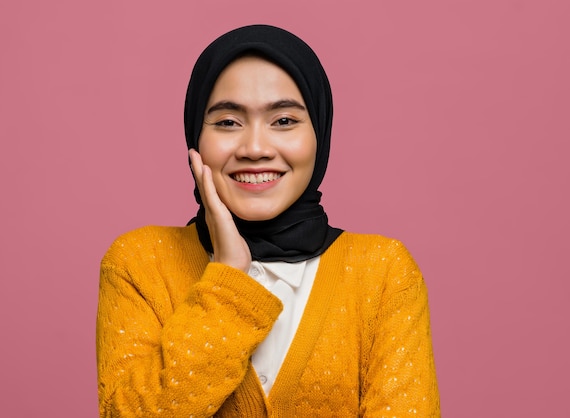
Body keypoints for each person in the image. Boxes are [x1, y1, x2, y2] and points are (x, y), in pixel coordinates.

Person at [96, 24, 440, 417]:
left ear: (320, 133)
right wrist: (228, 279)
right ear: (195, 135)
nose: (256, 148)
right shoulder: (140, 263)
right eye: (227, 122)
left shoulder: (383, 272)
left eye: (284, 121)